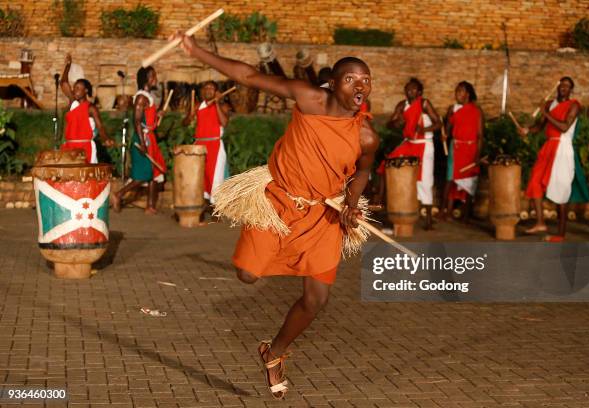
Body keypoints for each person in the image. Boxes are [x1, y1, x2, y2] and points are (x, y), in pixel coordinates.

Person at [172, 31, 378, 399]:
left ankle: (275, 352)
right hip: (277, 202)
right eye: (351, 78)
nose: (360, 85)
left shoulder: (366, 135)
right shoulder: (308, 98)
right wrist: (194, 50)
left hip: (322, 216)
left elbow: (362, 171)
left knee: (316, 299)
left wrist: (350, 203)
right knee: (247, 275)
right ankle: (272, 346)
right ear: (333, 84)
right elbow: (248, 76)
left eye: (365, 79)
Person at [519, 76, 589, 242]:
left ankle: (561, 234)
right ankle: (540, 222)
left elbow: (564, 127)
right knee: (535, 181)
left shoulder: (574, 105)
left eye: (567, 85)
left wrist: (546, 113)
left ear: (570, 89)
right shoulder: (550, 104)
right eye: (561, 85)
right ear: (557, 87)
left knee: (561, 191)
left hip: (562, 148)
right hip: (548, 147)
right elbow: (540, 126)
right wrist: (527, 130)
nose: (563, 88)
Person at [374, 78, 442, 230]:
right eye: (407, 89)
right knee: (389, 163)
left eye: (413, 89)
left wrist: (423, 130)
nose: (409, 92)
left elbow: (438, 123)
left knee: (425, 180)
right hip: (408, 143)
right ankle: (383, 199)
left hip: (424, 145)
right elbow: (390, 123)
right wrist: (396, 123)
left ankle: (429, 219)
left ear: (419, 92)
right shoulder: (401, 105)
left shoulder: (424, 103)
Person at [110, 66, 167, 215]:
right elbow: (136, 122)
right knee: (142, 175)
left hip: (149, 137)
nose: (156, 79)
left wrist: (158, 114)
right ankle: (119, 194)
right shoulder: (141, 97)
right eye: (153, 76)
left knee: (154, 172)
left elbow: (148, 119)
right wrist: (142, 143)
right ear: (146, 80)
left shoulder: (148, 97)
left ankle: (150, 206)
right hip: (143, 138)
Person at [60, 54, 114, 163]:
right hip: (70, 147)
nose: (75, 90)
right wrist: (68, 66)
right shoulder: (73, 102)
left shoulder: (91, 108)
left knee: (87, 177)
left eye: (79, 88)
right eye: (75, 88)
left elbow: (100, 127)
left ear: (86, 91)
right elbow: (64, 83)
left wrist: (105, 139)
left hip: (85, 148)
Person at [442, 81, 484, 222]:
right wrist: (448, 117)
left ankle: (466, 214)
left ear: (468, 94)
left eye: (460, 91)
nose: (457, 94)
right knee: (451, 179)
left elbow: (479, 135)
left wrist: (477, 156)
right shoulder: (454, 109)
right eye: (456, 91)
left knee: (470, 180)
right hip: (457, 147)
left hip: (471, 149)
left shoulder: (476, 111)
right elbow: (447, 132)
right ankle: (446, 211)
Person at [183, 81, 230, 204]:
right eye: (206, 88)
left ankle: (216, 209)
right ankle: (201, 206)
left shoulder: (223, 106)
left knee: (215, 177)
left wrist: (217, 103)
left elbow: (224, 123)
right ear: (202, 91)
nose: (208, 90)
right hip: (199, 146)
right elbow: (185, 123)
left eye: (212, 88)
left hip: (215, 146)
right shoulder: (198, 106)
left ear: (216, 92)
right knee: (200, 177)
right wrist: (190, 116)